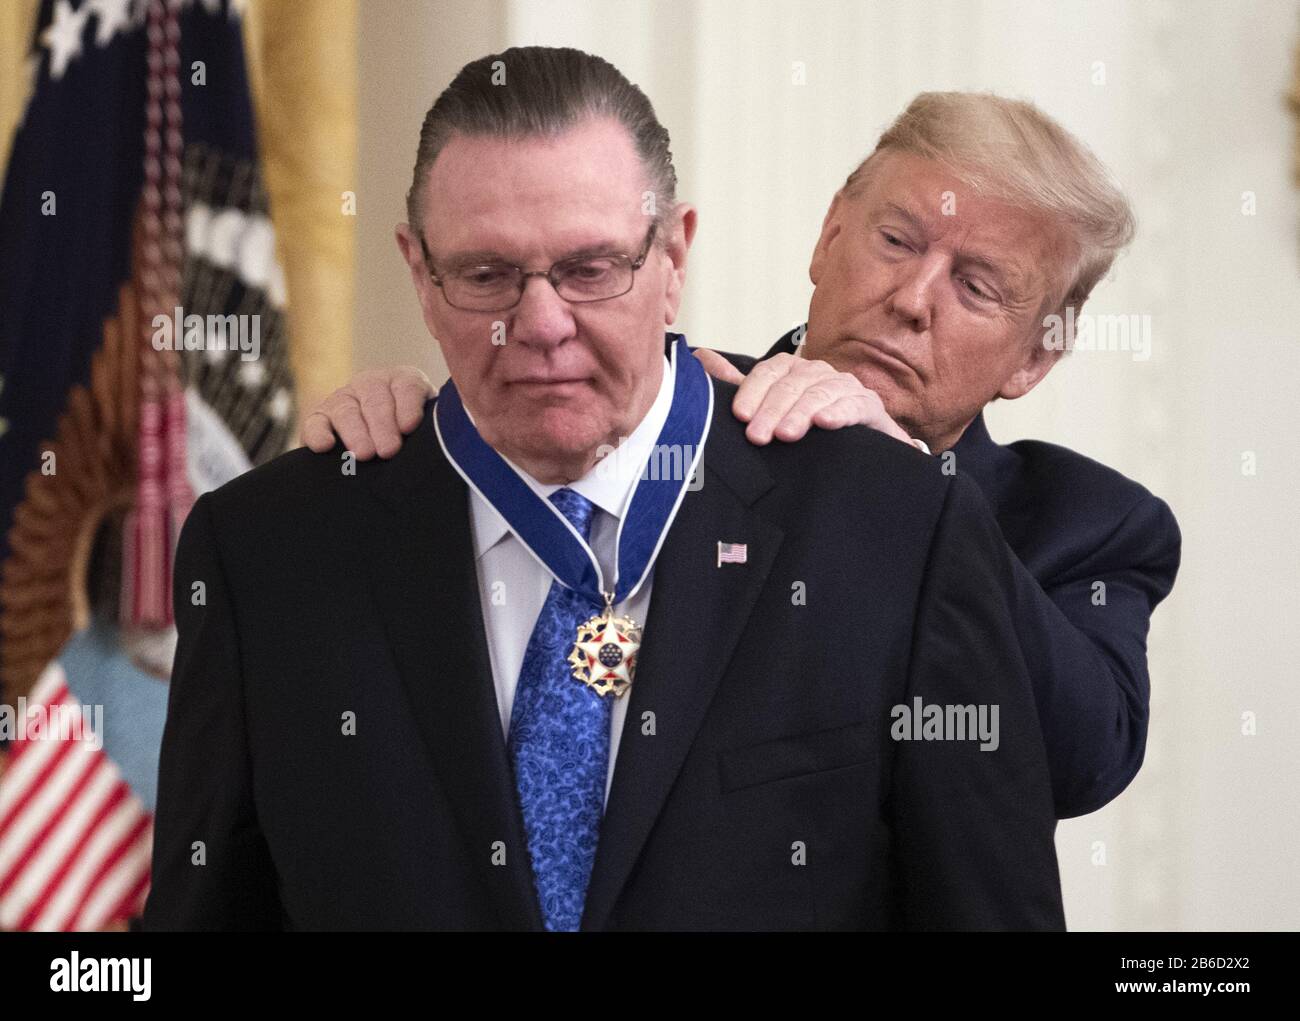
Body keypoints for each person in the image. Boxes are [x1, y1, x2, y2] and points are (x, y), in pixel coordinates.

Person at [142, 47, 1063, 931]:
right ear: (419, 274)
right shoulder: (269, 550)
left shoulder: (894, 529)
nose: (540, 324)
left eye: (591, 269)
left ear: (673, 257)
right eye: (486, 275)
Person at [306, 90, 1181, 820]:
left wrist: (906, 486)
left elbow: (1077, 764)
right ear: (829, 236)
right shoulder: (665, 414)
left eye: (977, 285)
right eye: (896, 241)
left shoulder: (1089, 524)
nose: (913, 299)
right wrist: (410, 433)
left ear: (1034, 357)